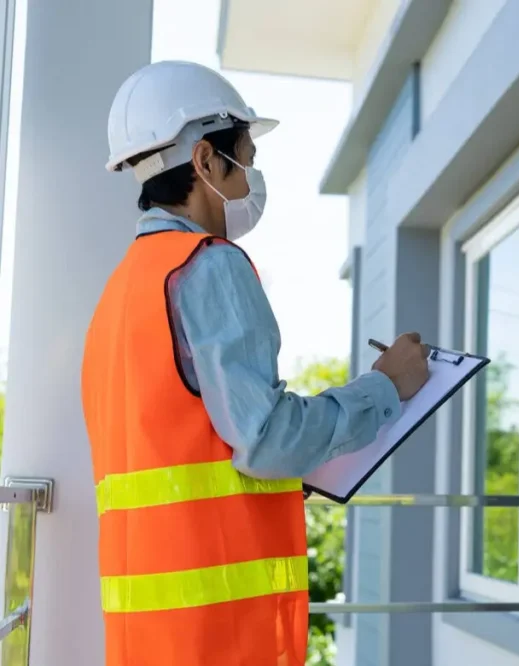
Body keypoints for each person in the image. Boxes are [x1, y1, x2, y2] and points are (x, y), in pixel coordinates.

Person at [80, 60, 429, 666]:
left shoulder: (121, 290)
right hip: (219, 634)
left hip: (147, 640)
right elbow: (265, 439)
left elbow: (188, 445)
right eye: (245, 158)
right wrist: (385, 388)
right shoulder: (208, 264)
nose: (250, 178)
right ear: (205, 162)